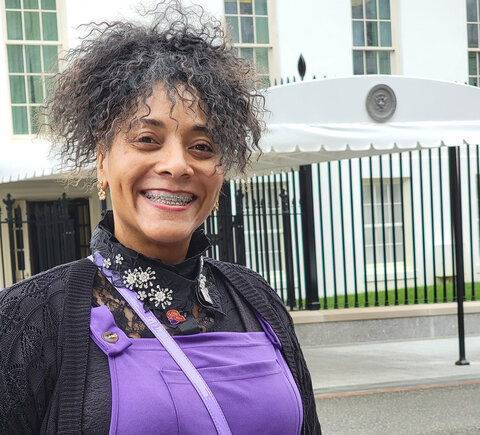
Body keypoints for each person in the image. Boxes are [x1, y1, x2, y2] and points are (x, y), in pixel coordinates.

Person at [0, 3, 321, 434]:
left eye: (202, 146)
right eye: (147, 139)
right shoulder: (29, 316)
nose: (177, 165)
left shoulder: (256, 300)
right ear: (102, 161)